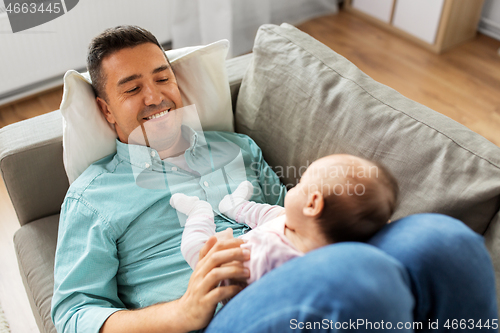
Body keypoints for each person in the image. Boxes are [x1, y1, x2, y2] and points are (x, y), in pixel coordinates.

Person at [51, 25, 498, 333]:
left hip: (291, 268)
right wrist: (182, 312)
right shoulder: (95, 196)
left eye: (162, 77)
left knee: (443, 241)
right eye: (131, 88)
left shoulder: (235, 148)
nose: (154, 97)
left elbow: (291, 216)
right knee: (359, 275)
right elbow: (73, 315)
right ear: (107, 111)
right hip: (215, 318)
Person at [171, 154, 398, 285]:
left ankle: (199, 211)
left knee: (193, 247)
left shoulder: (273, 259)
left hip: (235, 260)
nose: (295, 186)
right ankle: (235, 206)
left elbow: (229, 281)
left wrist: (221, 247)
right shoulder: (320, 233)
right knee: (277, 214)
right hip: (283, 229)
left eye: (301, 183)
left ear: (312, 204)